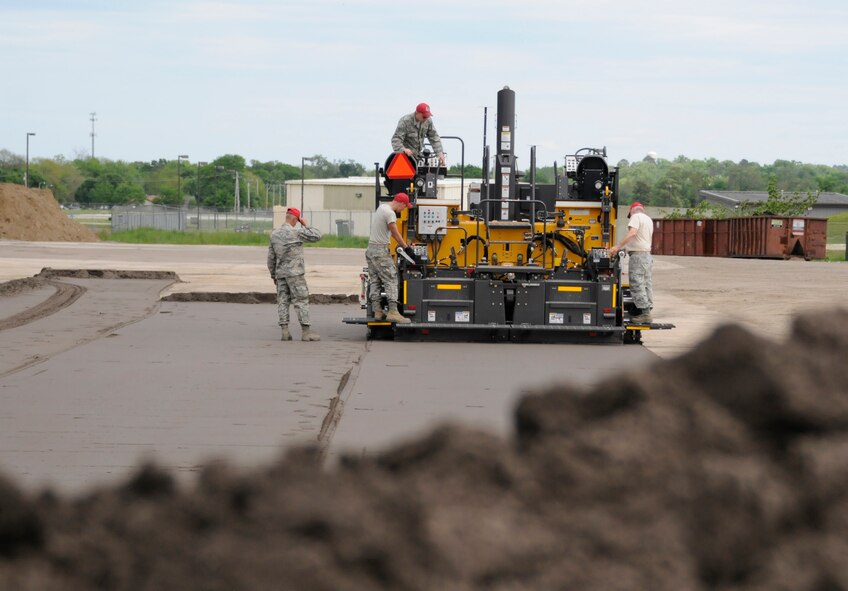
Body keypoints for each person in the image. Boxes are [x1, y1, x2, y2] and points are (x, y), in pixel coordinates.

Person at [267, 207, 322, 341]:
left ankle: (285, 332)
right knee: (301, 301)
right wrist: (306, 224)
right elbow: (317, 235)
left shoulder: (274, 234)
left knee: (283, 302)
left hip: (281, 274)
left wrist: (273, 275)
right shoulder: (297, 232)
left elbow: (271, 258)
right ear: (295, 220)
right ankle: (306, 333)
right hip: (295, 274)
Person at [367, 192, 415, 323]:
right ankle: (393, 312)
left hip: (370, 249)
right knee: (392, 278)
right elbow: (395, 233)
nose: (404, 209)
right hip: (381, 251)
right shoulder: (390, 213)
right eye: (404, 206)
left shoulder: (381, 208)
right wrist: (407, 248)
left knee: (375, 280)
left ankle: (377, 311)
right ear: (400, 203)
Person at [610, 201, 654, 324]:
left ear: (631, 211)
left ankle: (644, 314)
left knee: (637, 284)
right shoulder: (648, 219)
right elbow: (640, 238)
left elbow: (633, 233)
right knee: (646, 283)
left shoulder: (635, 217)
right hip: (646, 256)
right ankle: (646, 310)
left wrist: (617, 247)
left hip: (638, 257)